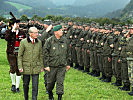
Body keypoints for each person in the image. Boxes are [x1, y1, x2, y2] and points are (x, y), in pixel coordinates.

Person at [43, 25, 71, 100]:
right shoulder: (49, 41)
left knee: (60, 82)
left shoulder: (65, 41)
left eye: (62, 30)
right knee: (50, 83)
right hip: (52, 66)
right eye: (60, 30)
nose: (62, 31)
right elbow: (45, 54)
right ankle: (50, 93)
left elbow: (68, 53)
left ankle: (59, 97)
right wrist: (46, 65)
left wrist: (68, 64)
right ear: (55, 32)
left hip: (62, 66)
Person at [18, 27, 44, 100]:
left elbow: (40, 55)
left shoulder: (39, 42)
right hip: (26, 67)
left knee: (35, 85)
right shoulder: (23, 42)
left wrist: (42, 66)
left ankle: (34, 98)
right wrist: (20, 66)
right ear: (30, 33)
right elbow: (20, 55)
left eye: (37, 32)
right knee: (26, 84)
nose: (37, 34)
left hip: (36, 67)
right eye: (35, 33)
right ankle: (26, 98)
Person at [5, 18, 26, 92]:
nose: (18, 25)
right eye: (16, 24)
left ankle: (17, 87)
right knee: (12, 67)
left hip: (20, 54)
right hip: (11, 53)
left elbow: (25, 41)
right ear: (12, 25)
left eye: (18, 24)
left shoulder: (22, 32)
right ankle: (13, 84)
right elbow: (7, 38)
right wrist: (12, 31)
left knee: (19, 69)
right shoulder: (8, 32)